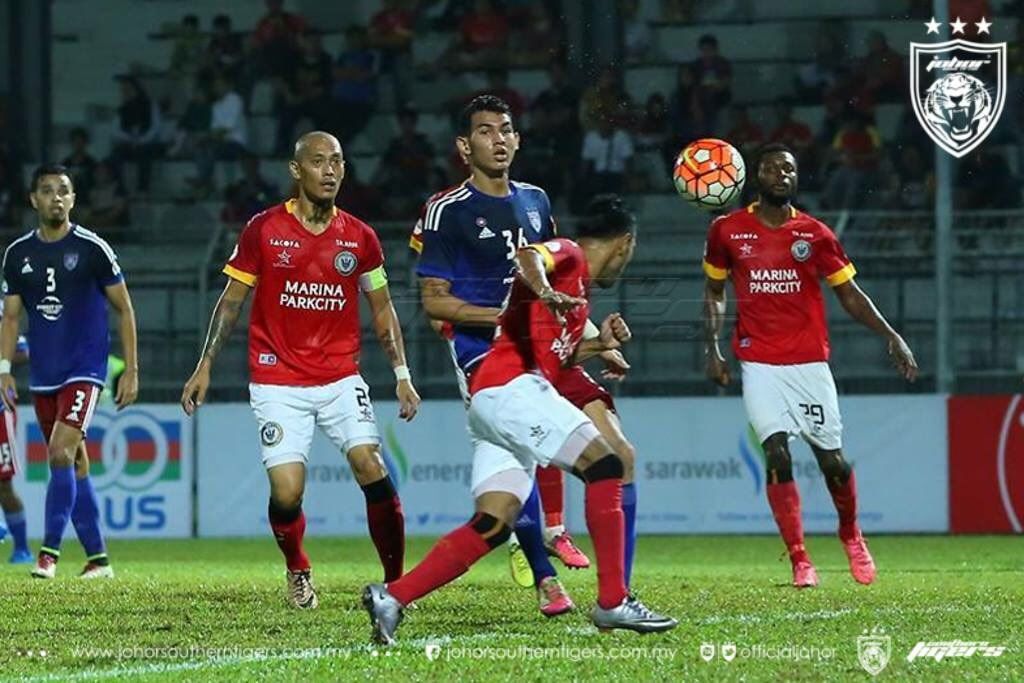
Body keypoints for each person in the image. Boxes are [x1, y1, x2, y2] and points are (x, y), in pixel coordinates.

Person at [367, 195, 677, 643]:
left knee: (493, 523)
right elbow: (529, 253)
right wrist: (545, 289)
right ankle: (613, 601)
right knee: (607, 464)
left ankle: (392, 597)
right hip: (512, 390)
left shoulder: (580, 295)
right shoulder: (567, 252)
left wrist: (600, 342)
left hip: (493, 402)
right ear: (624, 244)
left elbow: (559, 356)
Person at [410, 95, 644, 611]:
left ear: (517, 139)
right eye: (485, 131)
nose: (498, 139)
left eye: (506, 130)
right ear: (464, 145)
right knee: (570, 461)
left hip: (538, 355)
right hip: (483, 361)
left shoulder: (536, 202)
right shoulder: (447, 210)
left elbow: (555, 287)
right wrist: (505, 318)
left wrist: (593, 342)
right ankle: (550, 569)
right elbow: (434, 306)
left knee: (602, 458)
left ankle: (594, 580)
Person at [181, 132, 421, 610]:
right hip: (277, 380)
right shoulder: (264, 230)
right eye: (318, 162)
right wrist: (204, 364)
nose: (330, 170)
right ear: (297, 171)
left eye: (337, 161)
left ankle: (398, 586)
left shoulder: (361, 237)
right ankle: (298, 569)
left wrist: (402, 372)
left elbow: (382, 308)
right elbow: (231, 303)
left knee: (370, 464)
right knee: (287, 491)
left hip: (339, 378)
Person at [701, 143, 918, 588]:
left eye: (790, 169)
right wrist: (713, 348)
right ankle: (801, 558)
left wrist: (890, 335)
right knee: (777, 454)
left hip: (809, 363)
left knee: (832, 462)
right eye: (773, 167)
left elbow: (849, 294)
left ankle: (851, 533)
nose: (783, 174)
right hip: (759, 362)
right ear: (755, 176)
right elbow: (715, 292)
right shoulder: (727, 231)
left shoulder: (815, 234)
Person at [1, 164, 140, 579]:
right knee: (75, 463)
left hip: (85, 368)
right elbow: (10, 320)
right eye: (47, 191)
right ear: (34, 200)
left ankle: (48, 554)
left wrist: (131, 370)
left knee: (59, 451)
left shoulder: (93, 248)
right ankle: (99, 560)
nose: (56, 197)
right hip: (44, 372)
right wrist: (4, 369)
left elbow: (125, 309)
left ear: (73, 200)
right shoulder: (17, 254)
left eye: (64, 191)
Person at [0, 300, 31, 563]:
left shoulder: (3, 310)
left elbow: (23, 350)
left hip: (1, 409)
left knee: (3, 484)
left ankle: (22, 548)